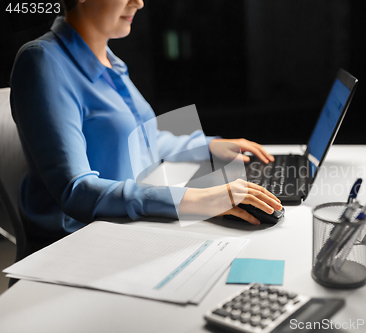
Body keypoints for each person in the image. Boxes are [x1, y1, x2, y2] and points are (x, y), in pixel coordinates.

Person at [9, 0, 282, 242]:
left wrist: (208, 147)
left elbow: (145, 139)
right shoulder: (42, 62)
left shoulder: (111, 63)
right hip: (79, 242)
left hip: (131, 225)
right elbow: (76, 190)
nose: (138, 3)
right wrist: (201, 200)